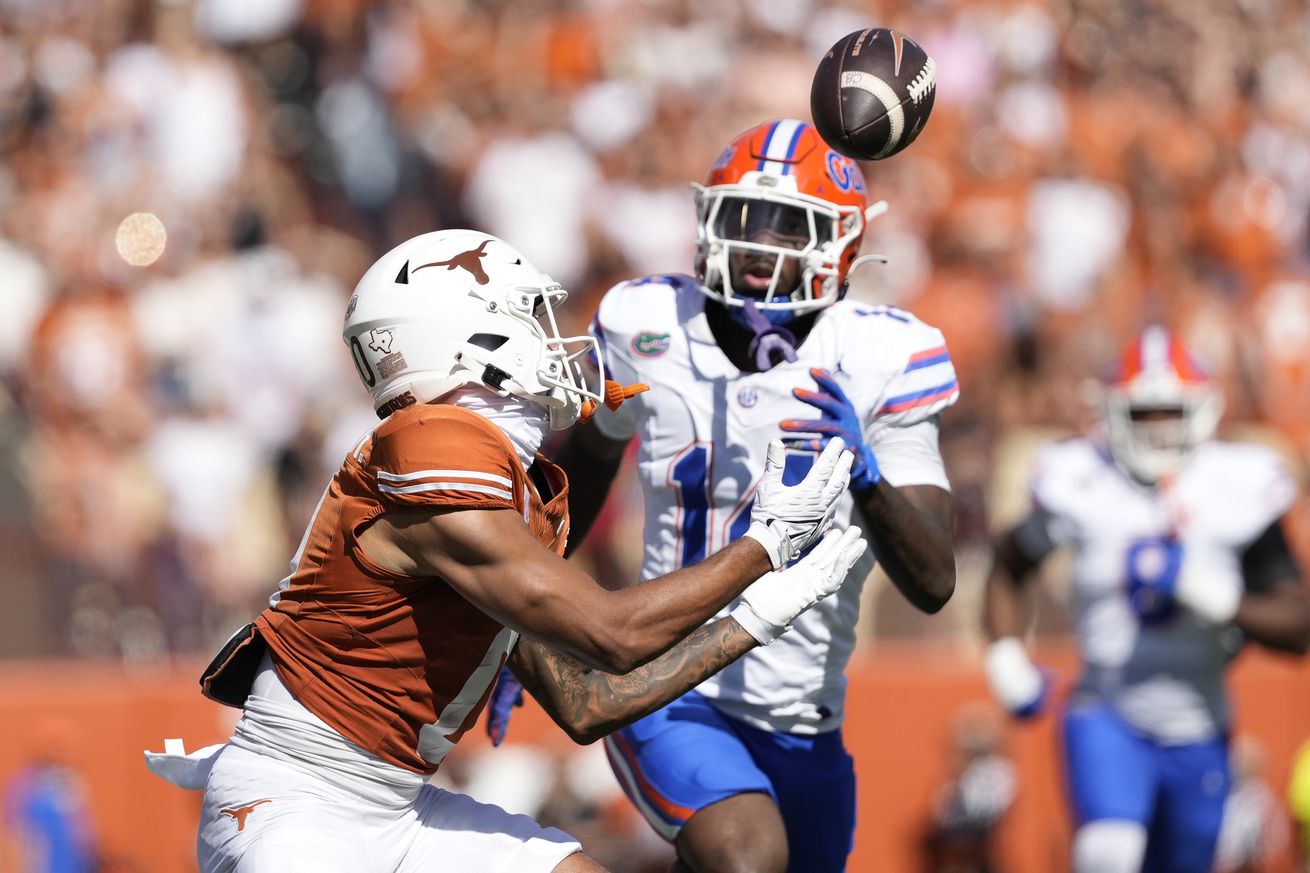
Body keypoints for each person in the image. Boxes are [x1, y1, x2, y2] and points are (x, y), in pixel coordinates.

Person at [143, 229, 870, 873]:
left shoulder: (499, 482)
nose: (551, 340)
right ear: (461, 339)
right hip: (297, 801)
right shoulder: (429, 451)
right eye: (526, 317)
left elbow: (589, 703)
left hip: (397, 805)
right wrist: (764, 546)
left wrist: (759, 615)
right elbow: (612, 635)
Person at [548, 118, 960, 873]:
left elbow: (933, 580)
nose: (761, 246)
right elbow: (569, 483)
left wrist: (867, 475)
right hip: (664, 685)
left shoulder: (883, 354)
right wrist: (513, 629)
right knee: (745, 856)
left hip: (805, 716)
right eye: (743, 219)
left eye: (787, 226)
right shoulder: (646, 324)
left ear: (842, 243)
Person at [982, 326, 1310, 873]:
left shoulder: (1238, 485)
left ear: (1203, 411)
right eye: (1144, 414)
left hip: (1199, 724)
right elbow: (1008, 562)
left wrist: (1225, 601)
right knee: (1108, 854)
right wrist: (1005, 654)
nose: (1158, 430)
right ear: (1113, 413)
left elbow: (1298, 628)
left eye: (1170, 412)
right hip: (1107, 709)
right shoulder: (1082, 480)